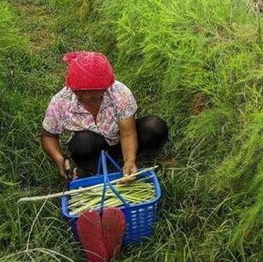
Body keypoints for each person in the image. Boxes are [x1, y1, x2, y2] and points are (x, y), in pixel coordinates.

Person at [40, 51, 169, 180]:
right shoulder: (62, 101)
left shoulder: (120, 94)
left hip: (122, 140)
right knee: (82, 143)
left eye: (93, 91)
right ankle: (93, 167)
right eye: (79, 91)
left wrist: (129, 160)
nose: (86, 96)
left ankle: (131, 160)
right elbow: (48, 135)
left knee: (154, 127)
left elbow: (128, 133)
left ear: (106, 85)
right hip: (93, 147)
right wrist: (59, 158)